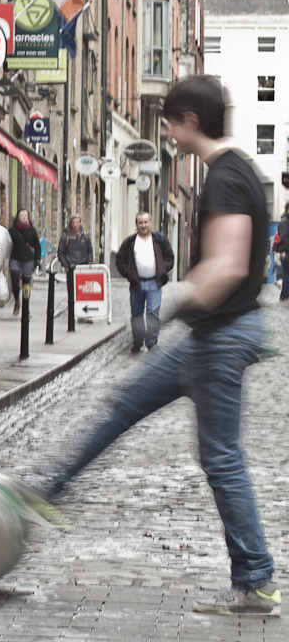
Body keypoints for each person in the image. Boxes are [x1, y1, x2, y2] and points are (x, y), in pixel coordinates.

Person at [35, 75, 280, 617]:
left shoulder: (226, 178)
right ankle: (50, 490)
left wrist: (171, 301)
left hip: (220, 340)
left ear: (190, 122)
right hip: (209, 338)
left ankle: (258, 580)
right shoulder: (233, 173)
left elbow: (230, 264)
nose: (167, 134)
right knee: (126, 405)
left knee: (221, 458)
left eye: (169, 123)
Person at [115, 212, 175, 352]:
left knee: (153, 312)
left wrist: (162, 269)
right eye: (140, 223)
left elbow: (170, 257)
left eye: (146, 222)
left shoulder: (159, 239)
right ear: (136, 225)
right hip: (137, 284)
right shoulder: (130, 242)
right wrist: (129, 274)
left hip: (155, 283)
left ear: (150, 223)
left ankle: (152, 342)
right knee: (136, 313)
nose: (143, 225)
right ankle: (137, 341)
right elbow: (120, 259)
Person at [57, 214, 94, 313]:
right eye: (73, 223)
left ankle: (83, 309)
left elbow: (90, 250)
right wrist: (66, 265)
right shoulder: (66, 236)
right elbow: (60, 252)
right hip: (71, 267)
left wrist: (90, 263)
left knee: (84, 290)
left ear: (80, 223)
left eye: (77, 222)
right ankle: (72, 311)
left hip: (83, 267)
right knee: (71, 290)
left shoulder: (85, 236)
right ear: (70, 224)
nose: (75, 225)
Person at [8, 209, 41, 315]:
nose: (24, 216)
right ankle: (17, 301)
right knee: (14, 281)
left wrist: (37, 259)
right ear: (18, 216)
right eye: (22, 214)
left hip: (28, 260)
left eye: (26, 215)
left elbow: (37, 245)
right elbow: (8, 244)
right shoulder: (12, 230)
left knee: (26, 284)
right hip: (15, 258)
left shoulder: (31, 230)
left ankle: (26, 307)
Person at [276, 200, 289, 302]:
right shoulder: (284, 222)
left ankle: (285, 294)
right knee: (286, 274)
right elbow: (284, 238)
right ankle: (284, 295)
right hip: (286, 252)